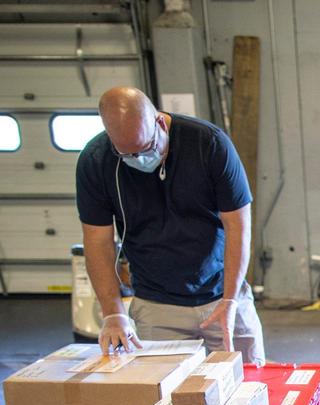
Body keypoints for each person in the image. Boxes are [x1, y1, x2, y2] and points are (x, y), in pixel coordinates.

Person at [76, 86, 265, 364]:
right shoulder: (96, 161)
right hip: (157, 305)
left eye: (147, 148)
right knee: (166, 398)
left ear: (160, 123)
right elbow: (97, 241)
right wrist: (113, 313)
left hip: (220, 294)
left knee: (249, 386)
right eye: (127, 155)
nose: (140, 159)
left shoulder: (209, 144)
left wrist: (230, 300)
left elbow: (238, 225)